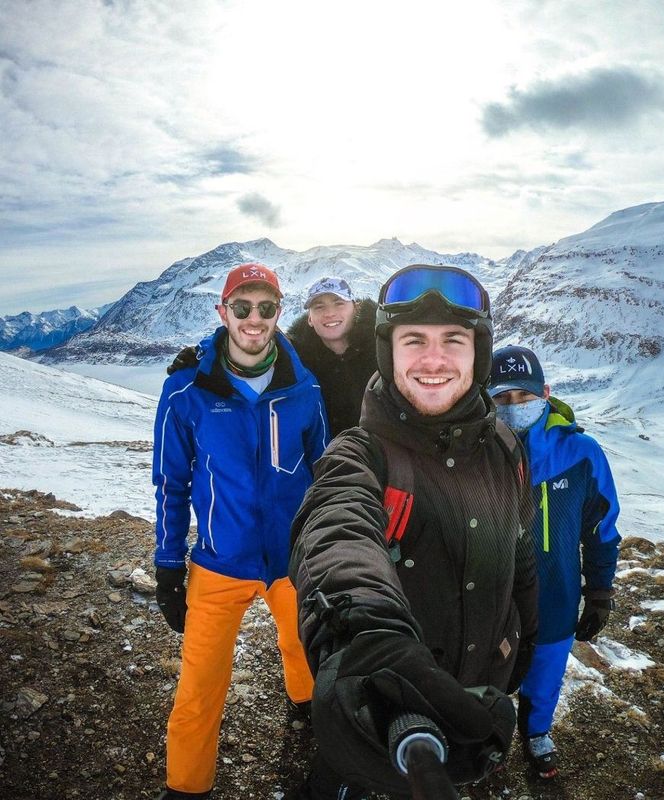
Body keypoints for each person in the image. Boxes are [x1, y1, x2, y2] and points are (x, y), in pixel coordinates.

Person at [288, 264, 539, 799]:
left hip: (478, 690)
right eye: (414, 341)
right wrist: (368, 633)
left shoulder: (504, 449)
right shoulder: (360, 455)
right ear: (388, 352)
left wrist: (522, 647)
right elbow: (336, 533)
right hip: (384, 697)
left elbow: (521, 556)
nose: (433, 359)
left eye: (454, 339)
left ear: (479, 352)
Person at [152, 263, 329, 799]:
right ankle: (186, 787)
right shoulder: (186, 393)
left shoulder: (305, 390)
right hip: (217, 563)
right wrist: (167, 566)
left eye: (266, 308)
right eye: (243, 307)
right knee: (200, 687)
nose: (254, 319)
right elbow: (171, 484)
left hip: (292, 561)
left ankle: (308, 712)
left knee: (306, 651)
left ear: (279, 313)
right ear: (222, 312)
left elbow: (325, 477)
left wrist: (330, 551)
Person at [488, 344, 620, 779]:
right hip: (492, 597)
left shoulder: (581, 453)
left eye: (523, 397)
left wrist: (599, 591)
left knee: (546, 672)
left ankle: (536, 732)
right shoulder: (477, 452)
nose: (514, 407)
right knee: (486, 671)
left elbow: (601, 529)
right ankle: (481, 737)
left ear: (544, 393)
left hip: (556, 593)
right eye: (502, 398)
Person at [286, 276, 378, 436]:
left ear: (356, 308)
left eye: (339, 303)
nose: (329, 313)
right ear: (309, 319)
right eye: (319, 307)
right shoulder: (296, 363)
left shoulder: (383, 350)